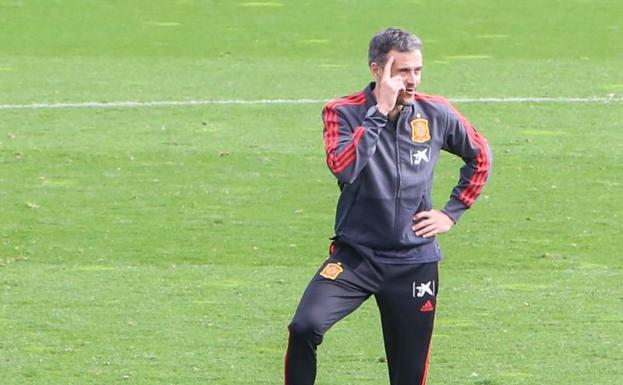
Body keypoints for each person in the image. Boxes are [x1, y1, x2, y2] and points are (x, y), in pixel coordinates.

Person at [283, 27, 492, 385]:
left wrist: (451, 212)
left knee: (408, 375)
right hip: (355, 258)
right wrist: (379, 112)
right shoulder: (342, 112)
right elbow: (345, 168)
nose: (411, 81)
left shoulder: (436, 112)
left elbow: (480, 156)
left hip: (414, 263)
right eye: (401, 72)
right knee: (305, 326)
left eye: (417, 71)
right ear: (376, 71)